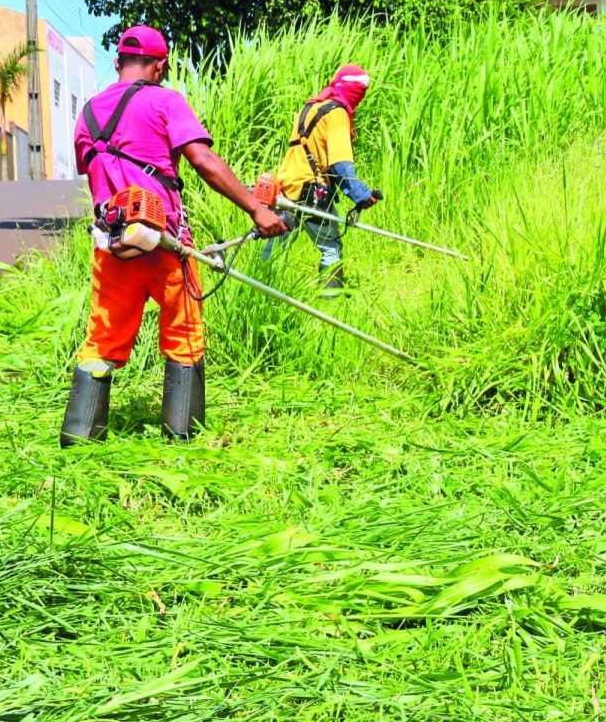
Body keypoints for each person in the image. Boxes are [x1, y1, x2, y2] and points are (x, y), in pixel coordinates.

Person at [61, 26, 286, 445]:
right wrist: (257, 208)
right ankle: (181, 442)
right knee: (184, 334)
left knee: (102, 340)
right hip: (165, 244)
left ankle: (77, 443)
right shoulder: (166, 100)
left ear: (117, 63)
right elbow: (202, 159)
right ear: (160, 65)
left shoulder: (89, 111)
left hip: (113, 246)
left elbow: (90, 168)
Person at [269, 64, 380, 296]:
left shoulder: (310, 107)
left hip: (287, 185)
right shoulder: (337, 112)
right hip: (312, 191)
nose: (362, 97)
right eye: (362, 91)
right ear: (354, 90)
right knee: (330, 245)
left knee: (278, 243)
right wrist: (361, 194)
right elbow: (339, 163)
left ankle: (260, 288)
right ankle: (331, 298)